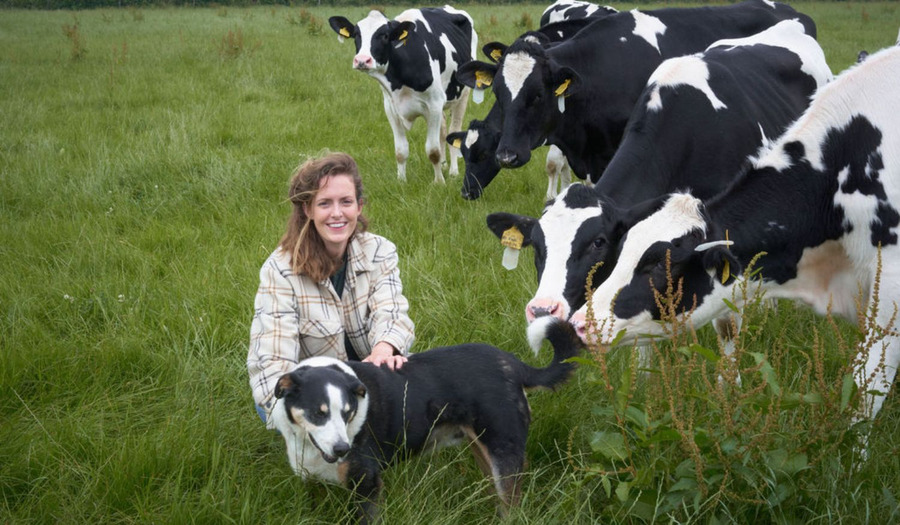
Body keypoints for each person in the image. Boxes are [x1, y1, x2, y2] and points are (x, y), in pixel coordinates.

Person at [247, 152, 415, 427]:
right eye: (324, 203)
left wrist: (384, 350)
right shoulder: (279, 270)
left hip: (366, 377)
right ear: (308, 210)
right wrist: (298, 412)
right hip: (311, 393)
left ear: (359, 207)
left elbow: (392, 311)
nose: (337, 213)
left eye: (346, 202)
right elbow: (274, 359)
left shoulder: (380, 251)